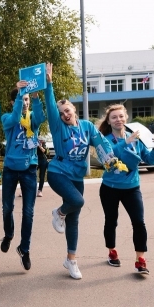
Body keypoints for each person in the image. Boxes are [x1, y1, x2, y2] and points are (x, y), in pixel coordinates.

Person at [44, 63, 120, 280]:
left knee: (74, 219)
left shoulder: (86, 126)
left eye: (67, 110)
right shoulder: (58, 126)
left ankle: (71, 260)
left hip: (77, 176)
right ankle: (59, 213)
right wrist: (49, 84)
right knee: (77, 202)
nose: (65, 114)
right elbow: (50, 105)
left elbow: (101, 142)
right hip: (58, 172)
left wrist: (110, 158)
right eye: (61, 113)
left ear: (74, 109)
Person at [97, 104, 154, 274]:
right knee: (111, 221)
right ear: (109, 121)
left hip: (132, 188)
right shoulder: (105, 140)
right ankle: (112, 251)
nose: (118, 120)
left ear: (126, 118)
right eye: (114, 117)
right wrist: (125, 143)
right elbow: (107, 158)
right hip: (110, 188)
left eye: (121, 116)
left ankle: (140, 260)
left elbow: (149, 160)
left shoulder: (136, 138)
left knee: (139, 222)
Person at [0, 82, 46, 271]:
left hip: (29, 169)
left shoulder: (32, 118)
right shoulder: (7, 118)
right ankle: (9, 234)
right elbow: (12, 119)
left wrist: (35, 97)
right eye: (22, 99)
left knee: (28, 212)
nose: (25, 103)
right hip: (10, 169)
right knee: (7, 208)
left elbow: (41, 117)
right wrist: (20, 94)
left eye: (27, 99)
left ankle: (24, 249)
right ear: (13, 102)